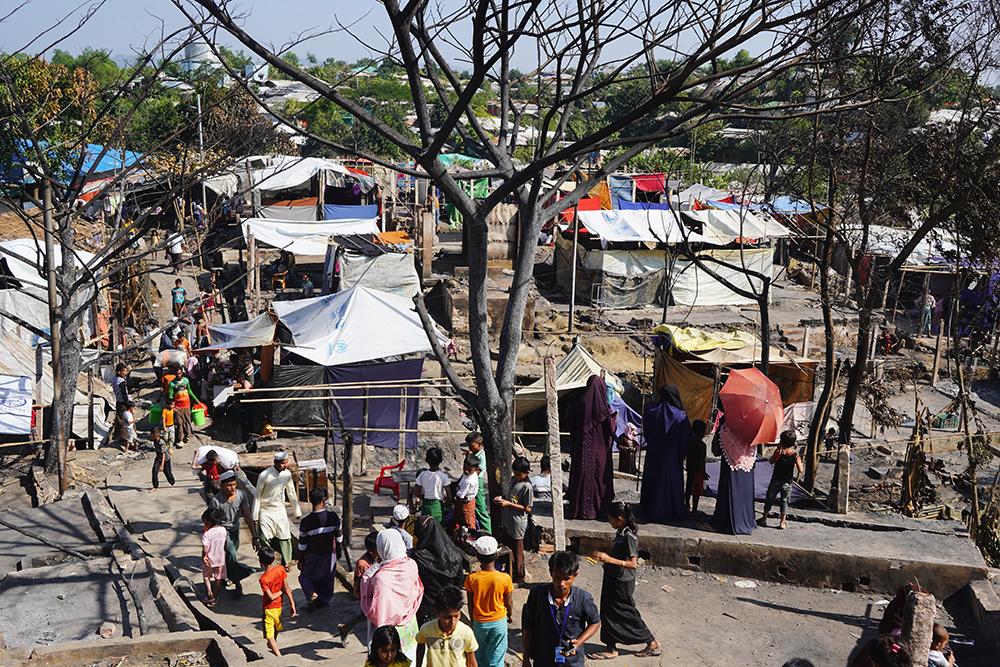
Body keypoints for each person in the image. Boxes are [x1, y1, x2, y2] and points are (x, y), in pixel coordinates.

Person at [588, 502, 660, 660]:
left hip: (622, 581)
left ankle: (650, 641)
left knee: (626, 612)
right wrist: (603, 557)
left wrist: (608, 559)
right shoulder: (620, 532)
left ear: (620, 519)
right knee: (608, 612)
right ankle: (611, 647)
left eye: (610, 519)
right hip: (613, 577)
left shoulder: (629, 536)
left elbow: (632, 563)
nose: (609, 522)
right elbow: (619, 555)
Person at [521, 550, 601, 667]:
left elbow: (595, 622)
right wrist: (526, 658)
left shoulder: (583, 598)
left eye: (567, 578)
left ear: (575, 576)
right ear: (550, 573)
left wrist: (579, 642)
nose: (561, 583)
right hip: (544, 658)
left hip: (572, 661)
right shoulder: (537, 596)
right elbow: (528, 628)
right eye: (557, 578)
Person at [360, 530, 424, 663]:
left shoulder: (381, 577)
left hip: (387, 634)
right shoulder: (411, 565)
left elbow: (375, 611)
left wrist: (367, 578)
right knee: (409, 658)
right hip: (409, 626)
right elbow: (418, 590)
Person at [566, 375, 615, 520]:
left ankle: (579, 510)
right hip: (600, 453)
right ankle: (598, 510)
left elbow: (569, 424)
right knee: (598, 480)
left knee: (580, 477)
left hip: (582, 450)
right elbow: (611, 430)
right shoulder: (605, 410)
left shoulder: (578, 406)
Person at [640, 385, 692, 523]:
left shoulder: (650, 410)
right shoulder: (680, 416)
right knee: (671, 484)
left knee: (653, 482)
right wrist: (681, 455)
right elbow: (685, 439)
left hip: (654, 454)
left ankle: (649, 509)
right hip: (672, 456)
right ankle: (671, 510)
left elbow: (646, 432)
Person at [464, 535, 513, 667]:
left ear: (478, 557)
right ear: (497, 555)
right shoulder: (505, 578)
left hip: (479, 622)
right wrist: (509, 615)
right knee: (496, 659)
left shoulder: (472, 578)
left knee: (480, 656)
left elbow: (471, 603)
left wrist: (472, 620)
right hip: (499, 622)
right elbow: (509, 602)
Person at [208, 470, 256, 595]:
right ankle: (238, 584)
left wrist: (255, 536)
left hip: (235, 530)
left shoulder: (241, 495)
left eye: (234, 484)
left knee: (229, 556)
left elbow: (247, 516)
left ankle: (224, 575)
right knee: (232, 555)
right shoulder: (215, 501)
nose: (232, 488)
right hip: (222, 532)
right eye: (229, 485)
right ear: (221, 486)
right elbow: (210, 520)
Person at [411, 515, 465, 625]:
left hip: (427, 607)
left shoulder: (418, 557)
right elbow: (459, 580)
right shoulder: (454, 553)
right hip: (448, 605)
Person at [253, 451, 302, 566]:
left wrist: (297, 511)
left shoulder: (287, 474)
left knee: (285, 537)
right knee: (264, 538)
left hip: (279, 509)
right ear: (275, 462)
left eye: (286, 463)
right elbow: (257, 496)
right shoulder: (264, 475)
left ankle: (287, 562)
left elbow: (291, 493)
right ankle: (267, 563)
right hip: (265, 510)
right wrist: (255, 515)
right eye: (282, 463)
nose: (285, 465)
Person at [710, 416, 757, 536]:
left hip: (730, 468)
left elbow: (716, 450)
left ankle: (726, 521)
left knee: (729, 492)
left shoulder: (726, 425)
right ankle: (745, 520)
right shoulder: (752, 424)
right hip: (747, 467)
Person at [297, 486, 341, 611]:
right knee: (327, 578)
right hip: (328, 555)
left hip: (312, 555)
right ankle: (322, 600)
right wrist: (338, 552)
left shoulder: (306, 522)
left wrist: (301, 559)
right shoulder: (333, 517)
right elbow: (339, 538)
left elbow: (302, 545)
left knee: (305, 577)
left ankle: (312, 594)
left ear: (311, 500)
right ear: (324, 500)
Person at [416, 585, 478, 667]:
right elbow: (420, 646)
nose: (453, 622)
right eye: (448, 617)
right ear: (437, 613)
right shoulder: (427, 630)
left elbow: (471, 661)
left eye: (456, 616)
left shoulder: (466, 633)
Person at [494, 456, 532, 583]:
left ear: (526, 473)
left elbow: (527, 508)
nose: (516, 476)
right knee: (508, 547)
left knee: (517, 550)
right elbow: (510, 496)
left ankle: (519, 575)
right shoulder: (514, 480)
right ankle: (511, 570)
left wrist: (508, 504)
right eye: (514, 473)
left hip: (517, 522)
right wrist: (502, 498)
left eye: (518, 474)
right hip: (508, 519)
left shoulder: (527, 487)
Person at [760, 430, 804, 529]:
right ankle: (782, 522)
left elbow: (771, 461)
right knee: (784, 501)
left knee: (769, 499)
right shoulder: (795, 455)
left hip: (775, 480)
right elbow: (800, 470)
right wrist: (801, 462)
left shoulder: (778, 452)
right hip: (787, 482)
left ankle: (764, 519)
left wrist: (776, 454)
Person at [259, 546, 297, 657]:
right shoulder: (280, 569)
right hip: (279, 607)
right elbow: (287, 587)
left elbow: (270, 597)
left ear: (260, 562)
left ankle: (279, 656)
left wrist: (280, 592)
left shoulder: (263, 579)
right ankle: (273, 644)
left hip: (268, 609)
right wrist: (292, 603)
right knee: (275, 629)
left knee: (269, 634)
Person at [415, 447, 451, 523]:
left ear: (426, 460)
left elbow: (416, 491)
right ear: (440, 460)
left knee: (425, 527)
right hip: (437, 507)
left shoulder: (422, 474)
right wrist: (444, 505)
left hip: (425, 505)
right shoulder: (443, 476)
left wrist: (423, 497)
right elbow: (449, 497)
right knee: (437, 529)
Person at [201, 507, 227, 607]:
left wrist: (203, 556)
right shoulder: (223, 530)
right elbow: (225, 544)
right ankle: (215, 597)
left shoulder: (206, 534)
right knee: (218, 578)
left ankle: (209, 594)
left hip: (209, 559)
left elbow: (205, 549)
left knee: (206, 577)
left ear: (208, 521)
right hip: (220, 558)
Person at [465, 433, 491, 534]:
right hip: (472, 480)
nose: (470, 448)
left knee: (480, 507)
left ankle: (488, 531)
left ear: (479, 444)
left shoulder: (482, 456)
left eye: (472, 445)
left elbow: (477, 471)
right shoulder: (474, 454)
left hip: (477, 482)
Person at [168, 367, 197, 445]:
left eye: (180, 373)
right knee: (179, 422)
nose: (178, 375)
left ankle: (187, 436)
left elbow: (189, 390)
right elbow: (170, 395)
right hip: (178, 406)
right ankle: (180, 439)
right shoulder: (172, 384)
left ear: (182, 373)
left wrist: (197, 400)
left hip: (187, 404)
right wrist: (171, 405)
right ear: (175, 374)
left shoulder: (186, 380)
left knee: (187, 421)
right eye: (177, 374)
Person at [685, 419, 708, 513]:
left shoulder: (689, 442)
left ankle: (687, 505)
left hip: (690, 468)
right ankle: (694, 509)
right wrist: (704, 472)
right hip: (698, 471)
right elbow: (702, 460)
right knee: (696, 491)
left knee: (689, 487)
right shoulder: (702, 445)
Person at [456, 455, 481, 531]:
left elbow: (460, 496)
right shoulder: (471, 474)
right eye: (465, 468)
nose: (466, 471)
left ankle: (471, 535)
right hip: (470, 500)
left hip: (466, 503)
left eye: (469, 470)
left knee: (468, 521)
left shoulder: (468, 481)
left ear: (475, 469)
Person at [150, 426, 175, 491]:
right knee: (154, 471)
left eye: (152, 434)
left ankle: (172, 481)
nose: (151, 436)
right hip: (158, 458)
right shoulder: (154, 440)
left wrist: (162, 465)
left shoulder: (162, 442)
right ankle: (155, 486)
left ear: (156, 434)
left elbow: (163, 454)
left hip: (165, 459)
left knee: (167, 472)